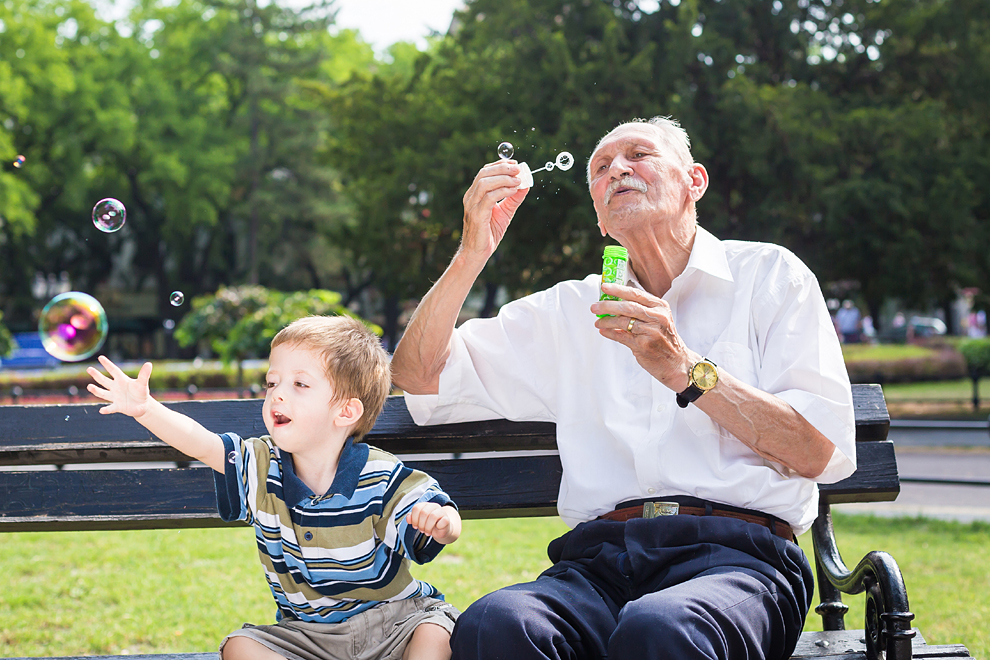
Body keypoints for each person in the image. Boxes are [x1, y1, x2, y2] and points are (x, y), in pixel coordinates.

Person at [391, 116, 856, 660]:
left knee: (660, 628)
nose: (617, 170)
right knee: (495, 624)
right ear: (600, 218)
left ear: (694, 181)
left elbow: (819, 451)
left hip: (739, 558)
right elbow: (417, 375)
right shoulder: (567, 310)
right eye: (600, 168)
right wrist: (474, 250)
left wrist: (685, 369)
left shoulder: (770, 276)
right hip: (599, 562)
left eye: (639, 155)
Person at [87, 315, 462, 660]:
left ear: (345, 412)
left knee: (435, 633)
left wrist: (443, 523)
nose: (277, 394)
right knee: (240, 647)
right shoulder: (261, 466)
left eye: (299, 384)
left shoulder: (378, 474)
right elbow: (203, 443)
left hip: (392, 625)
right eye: (272, 382)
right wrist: (146, 409)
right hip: (307, 637)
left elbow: (434, 512)